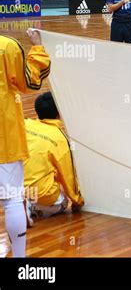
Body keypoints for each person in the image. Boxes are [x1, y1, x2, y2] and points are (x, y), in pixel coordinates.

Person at [0, 29, 50, 257]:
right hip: (4, 137)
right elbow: (30, 82)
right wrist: (37, 47)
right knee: (12, 200)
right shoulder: (7, 46)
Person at [24, 93, 84, 224]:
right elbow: (68, 175)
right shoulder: (59, 138)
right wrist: (77, 201)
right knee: (63, 202)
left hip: (12, 189)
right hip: (40, 195)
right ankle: (33, 207)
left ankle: (20, 205)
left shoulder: (25, 124)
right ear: (58, 112)